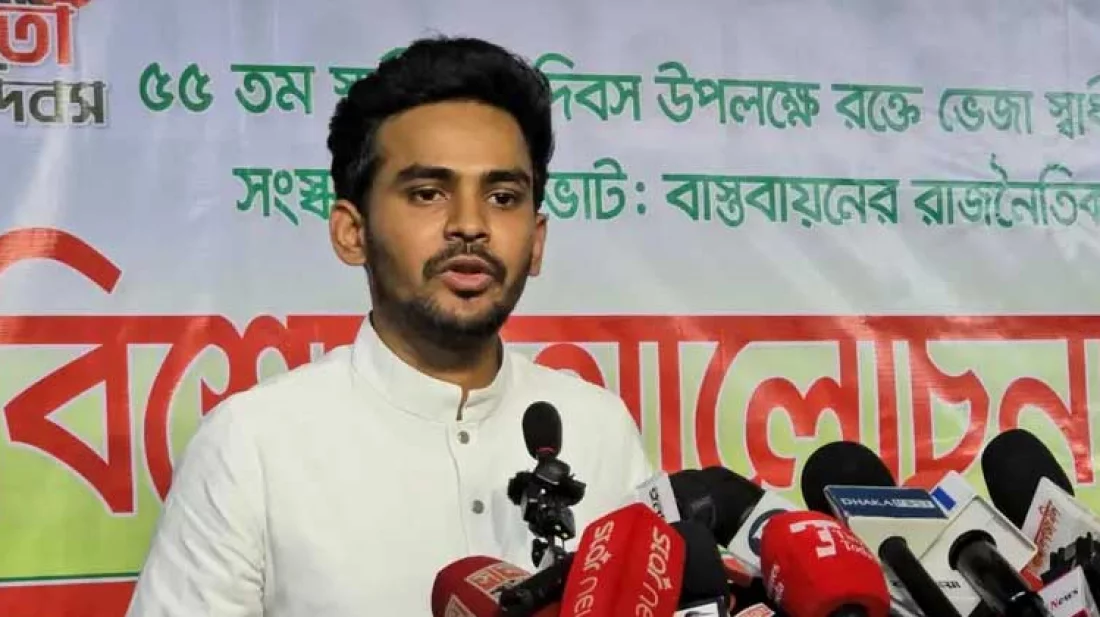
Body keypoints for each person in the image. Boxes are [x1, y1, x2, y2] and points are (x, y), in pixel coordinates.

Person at [126, 35, 653, 616]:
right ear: (352, 233)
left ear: (537, 242)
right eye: (428, 193)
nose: (470, 225)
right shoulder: (253, 446)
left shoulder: (597, 428)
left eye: (503, 197)